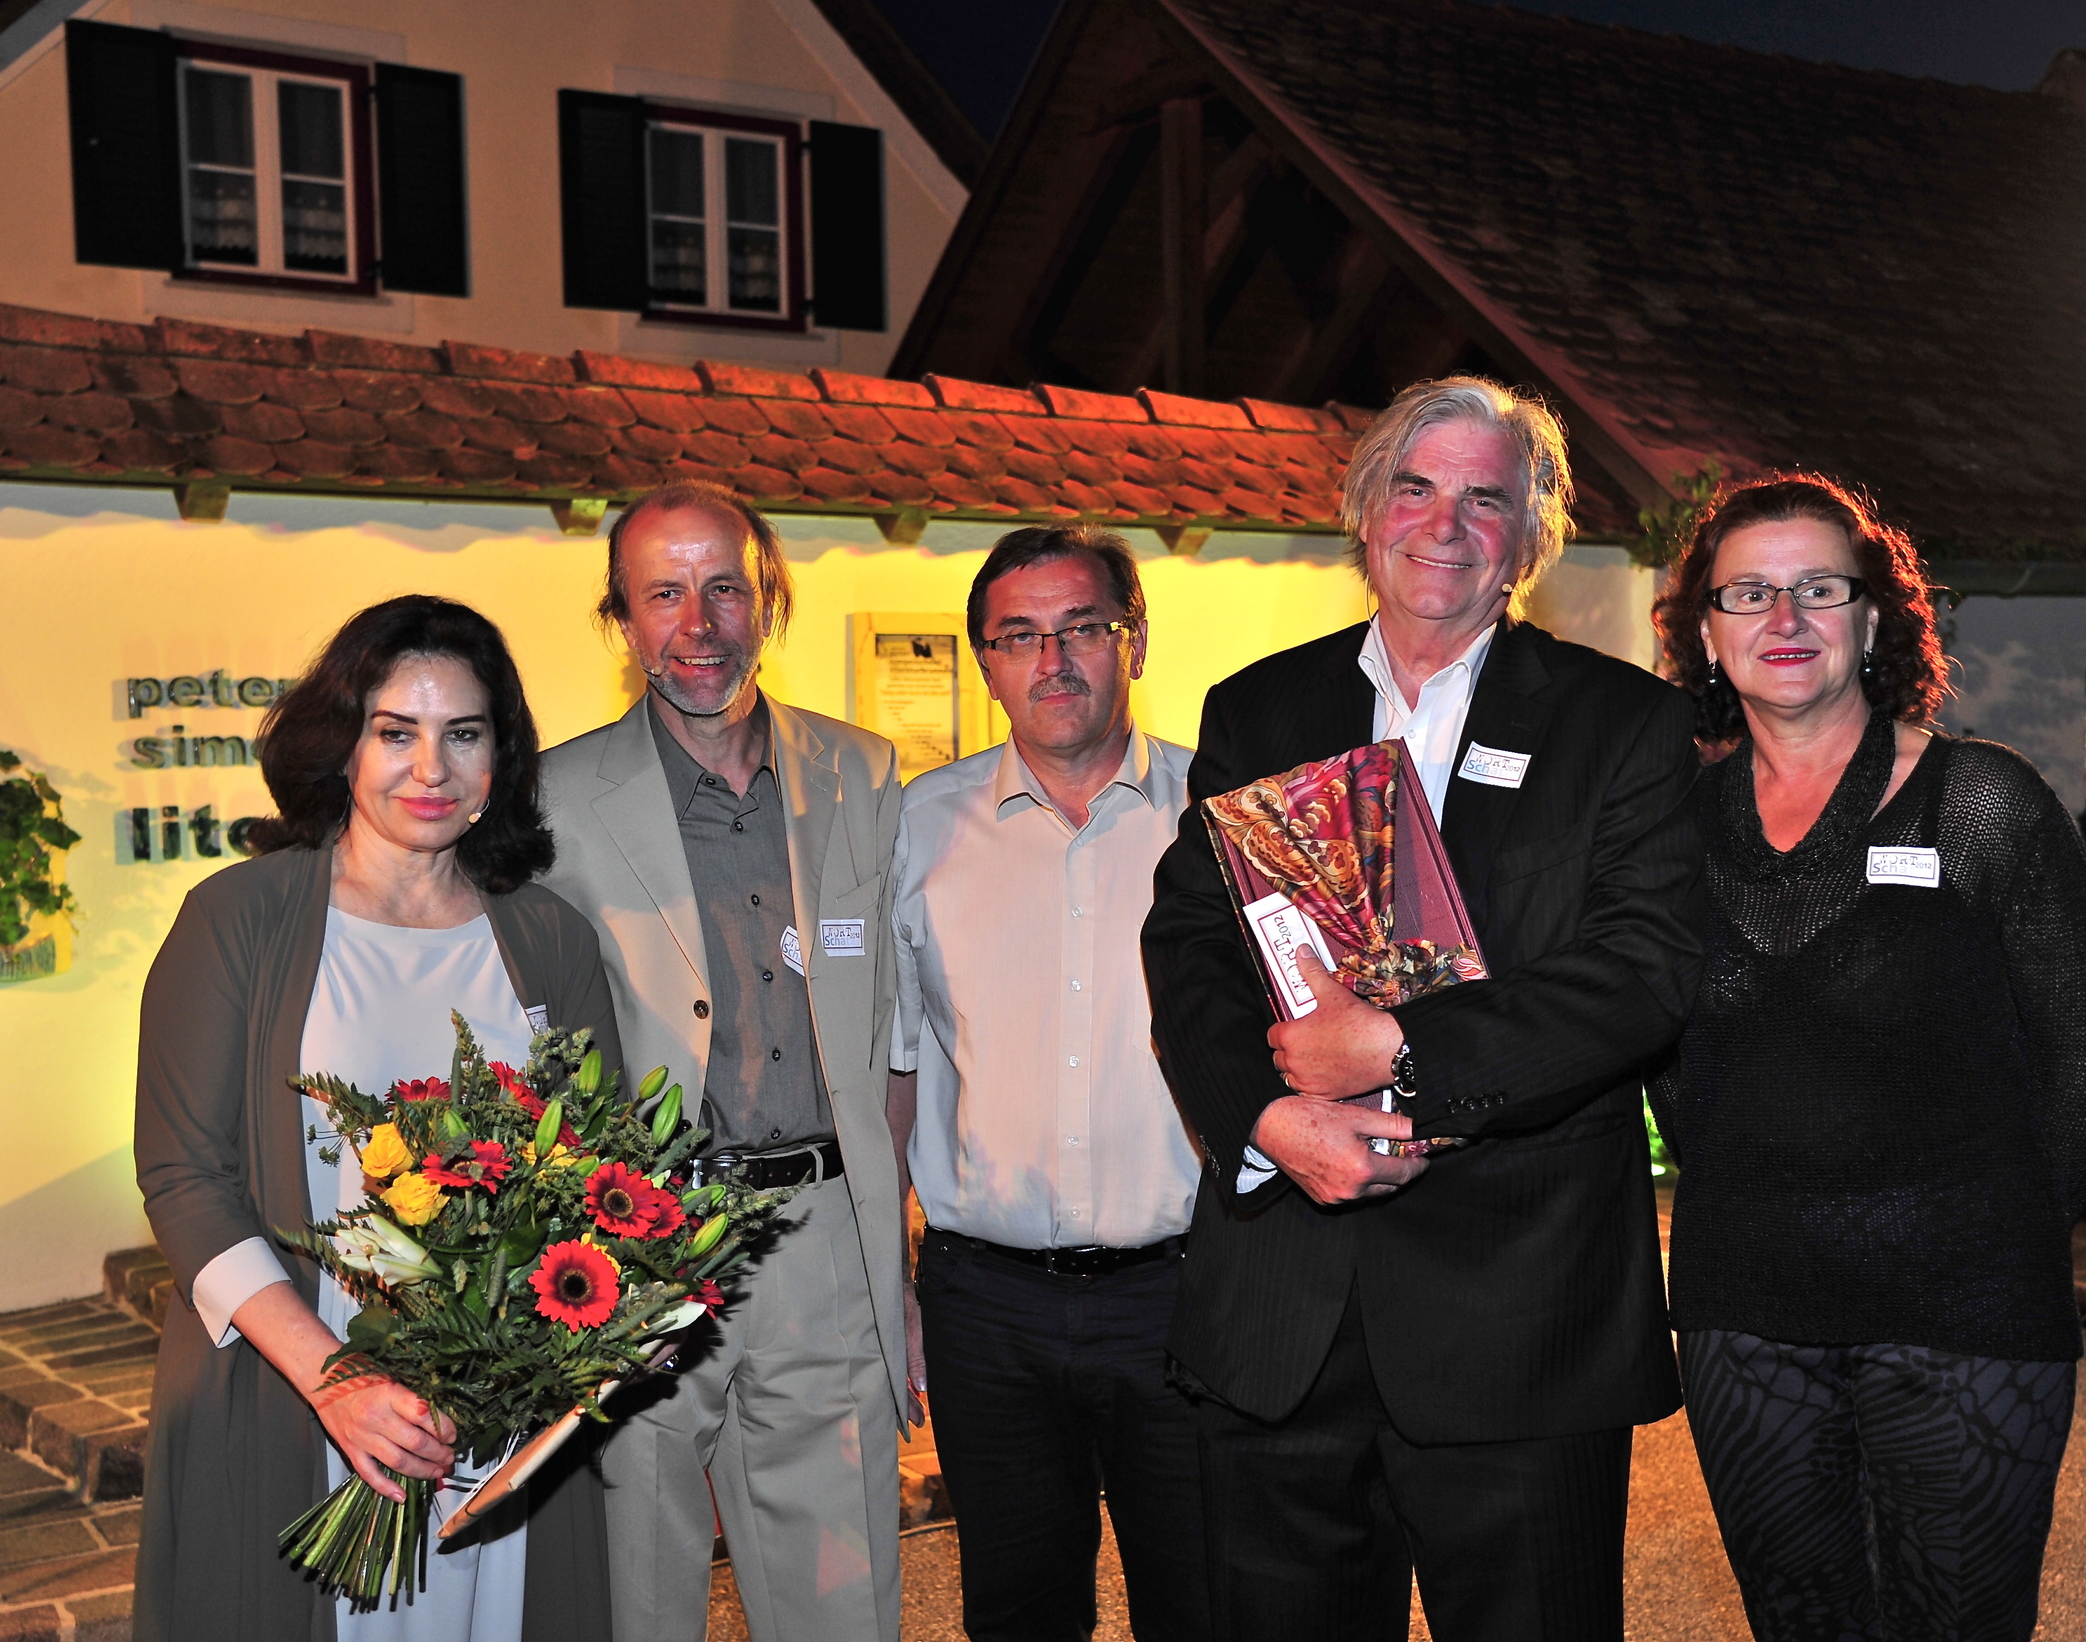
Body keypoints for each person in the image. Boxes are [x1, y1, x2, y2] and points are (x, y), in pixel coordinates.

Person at [1139, 374, 1706, 1641]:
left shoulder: (1623, 723)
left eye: (1484, 498)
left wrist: (1403, 1045)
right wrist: (1269, 1121)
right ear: (1365, 508)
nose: (1444, 523)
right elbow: (1189, 941)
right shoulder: (1259, 710)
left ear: (1529, 537)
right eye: (1416, 486)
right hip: (1280, 1318)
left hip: (1520, 1322)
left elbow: (1644, 970)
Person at [1645, 474, 2086, 1641]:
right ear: (1706, 633)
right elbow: (1670, 1057)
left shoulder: (1981, 802)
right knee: (1799, 1619)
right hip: (1747, 1310)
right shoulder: (1672, 831)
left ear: (1873, 619)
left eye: (1820, 588)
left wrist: (1992, 1226)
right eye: (1749, 592)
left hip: (1961, 1307)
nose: (1785, 618)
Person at [132, 596, 620, 1642]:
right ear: (343, 745)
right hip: (293, 1393)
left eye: (465, 732)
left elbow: (597, 1177)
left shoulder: (550, 937)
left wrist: (502, 1367)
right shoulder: (240, 917)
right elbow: (183, 1176)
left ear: (503, 755)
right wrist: (340, 1381)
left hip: (499, 1421)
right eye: (396, 731)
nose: (430, 768)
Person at [539, 480, 909, 1642]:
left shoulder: (867, 774)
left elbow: (896, 1017)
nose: (696, 623)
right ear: (621, 620)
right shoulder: (551, 800)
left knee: (841, 1602)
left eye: (723, 587)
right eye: (662, 594)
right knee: (635, 1594)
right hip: (640, 1248)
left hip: (824, 1248)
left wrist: (892, 1229)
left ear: (770, 600)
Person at [885, 524, 1210, 1642]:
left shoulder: (1215, 817)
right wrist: (898, 1282)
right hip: (989, 1306)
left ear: (1135, 639)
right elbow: (898, 1065)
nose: (1053, 659)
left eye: (1082, 627)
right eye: (1018, 635)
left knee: (1204, 1600)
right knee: (1017, 1614)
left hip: (1186, 1291)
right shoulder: (916, 831)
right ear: (985, 659)